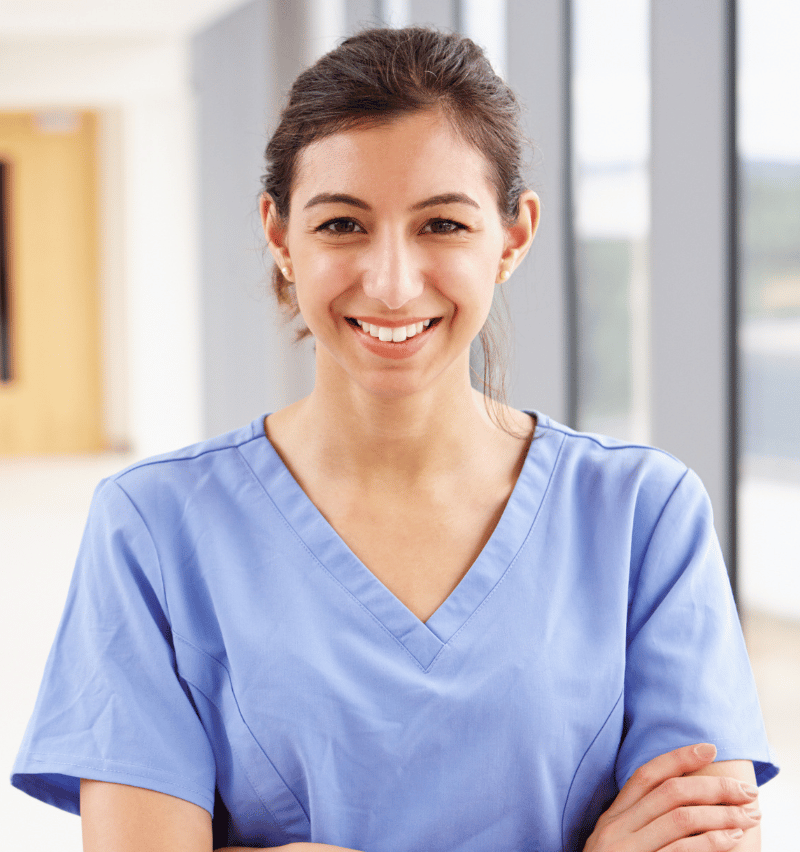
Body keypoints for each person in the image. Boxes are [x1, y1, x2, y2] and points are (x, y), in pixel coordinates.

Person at [11, 26, 776, 852]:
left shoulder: (642, 515)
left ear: (513, 235)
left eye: (442, 224)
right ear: (280, 236)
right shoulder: (154, 526)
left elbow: (713, 836)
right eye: (342, 224)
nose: (392, 280)